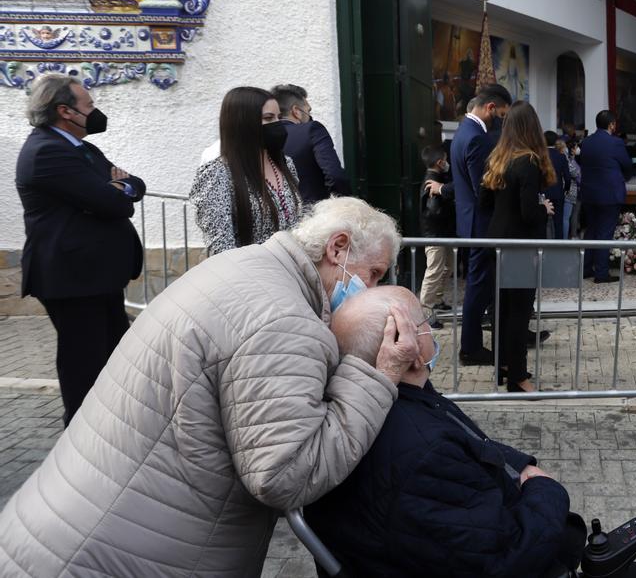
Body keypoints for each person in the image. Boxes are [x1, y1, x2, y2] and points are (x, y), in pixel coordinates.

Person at [0, 197, 412, 576]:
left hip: (70, 529)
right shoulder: (285, 322)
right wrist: (374, 375)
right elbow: (287, 474)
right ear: (337, 248)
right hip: (109, 556)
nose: (371, 290)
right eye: (373, 273)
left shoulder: (247, 268)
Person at [306, 287, 636, 577]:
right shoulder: (423, 452)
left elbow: (469, 439)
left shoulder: (371, 408)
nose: (432, 329)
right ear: (408, 349)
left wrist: (522, 465)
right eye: (425, 323)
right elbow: (507, 557)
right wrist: (546, 488)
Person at [14, 73, 145, 426]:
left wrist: (122, 187)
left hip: (96, 277)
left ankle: (112, 429)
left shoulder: (81, 148)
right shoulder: (46, 152)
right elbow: (111, 202)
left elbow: (134, 185)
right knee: (83, 365)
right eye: (88, 105)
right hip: (72, 279)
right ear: (65, 111)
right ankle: (80, 436)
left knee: (115, 356)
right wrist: (116, 189)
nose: (95, 111)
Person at [480, 102, 557, 393]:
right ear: (533, 128)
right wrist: (544, 209)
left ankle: (502, 365)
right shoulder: (528, 161)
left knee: (500, 309)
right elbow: (528, 213)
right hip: (520, 246)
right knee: (519, 312)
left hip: (496, 241)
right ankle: (518, 377)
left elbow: (484, 204)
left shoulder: (497, 159)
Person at [190, 87, 304, 255]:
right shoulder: (217, 174)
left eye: (279, 117)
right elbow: (221, 246)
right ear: (243, 122)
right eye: (268, 118)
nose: (277, 124)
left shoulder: (286, 164)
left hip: (290, 272)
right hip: (251, 274)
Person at [450, 84, 512, 365]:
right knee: (478, 288)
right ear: (490, 108)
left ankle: (475, 344)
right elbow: (482, 190)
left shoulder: (463, 131)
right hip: (481, 225)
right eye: (501, 114)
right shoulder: (476, 138)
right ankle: (470, 348)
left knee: (480, 286)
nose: (501, 120)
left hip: (471, 223)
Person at [578, 110, 633, 283]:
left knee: (591, 230)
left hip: (589, 193)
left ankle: (585, 268)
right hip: (610, 194)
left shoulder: (586, 142)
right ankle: (601, 273)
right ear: (611, 125)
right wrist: (624, 177)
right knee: (604, 233)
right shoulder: (615, 143)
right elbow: (627, 165)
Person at [272, 83, 352, 203]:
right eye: (308, 110)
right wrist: (342, 203)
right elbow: (335, 175)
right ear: (296, 111)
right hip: (313, 213)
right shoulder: (312, 129)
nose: (309, 115)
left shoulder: (259, 136)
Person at [419, 144, 455, 329]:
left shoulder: (439, 178)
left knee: (447, 266)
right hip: (435, 233)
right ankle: (425, 310)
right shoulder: (432, 181)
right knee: (434, 271)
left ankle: (437, 299)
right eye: (446, 160)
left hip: (442, 232)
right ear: (441, 162)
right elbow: (433, 210)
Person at [544, 130, 571, 239]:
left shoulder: (540, 156)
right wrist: (566, 189)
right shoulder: (561, 156)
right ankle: (559, 247)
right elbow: (567, 177)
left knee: (543, 221)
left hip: (543, 193)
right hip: (558, 192)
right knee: (558, 221)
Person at [561, 135, 582, 238]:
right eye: (576, 147)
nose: (577, 149)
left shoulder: (571, 159)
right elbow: (574, 172)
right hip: (568, 193)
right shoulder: (566, 159)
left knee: (571, 217)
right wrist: (579, 173)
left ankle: (569, 236)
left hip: (573, 193)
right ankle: (564, 240)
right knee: (566, 218)